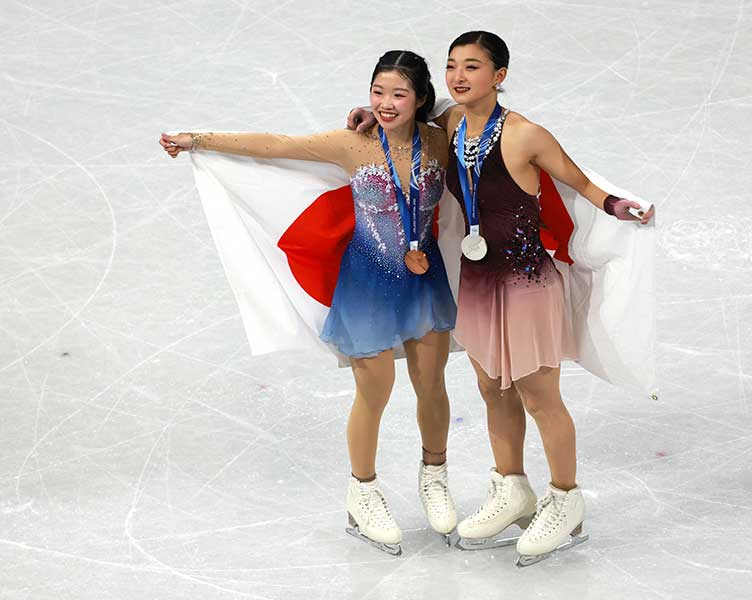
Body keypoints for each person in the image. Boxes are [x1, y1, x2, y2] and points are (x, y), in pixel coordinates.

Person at [349, 32, 654, 566]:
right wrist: (370, 113)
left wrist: (621, 204)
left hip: (528, 283)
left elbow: (583, 184)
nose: (459, 76)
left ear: (500, 76)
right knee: (493, 389)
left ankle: (566, 501)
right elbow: (406, 123)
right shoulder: (448, 125)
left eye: (472, 66)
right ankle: (512, 488)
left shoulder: (526, 134)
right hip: (480, 281)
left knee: (539, 395)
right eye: (451, 66)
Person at [160, 50, 459, 556]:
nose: (385, 104)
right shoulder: (353, 142)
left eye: (399, 95)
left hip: (423, 280)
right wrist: (199, 140)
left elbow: (472, 109)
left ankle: (435, 475)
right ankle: (361, 492)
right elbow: (277, 145)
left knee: (431, 384)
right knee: (376, 390)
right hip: (366, 284)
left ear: (421, 100)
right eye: (377, 92)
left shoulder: (439, 137)